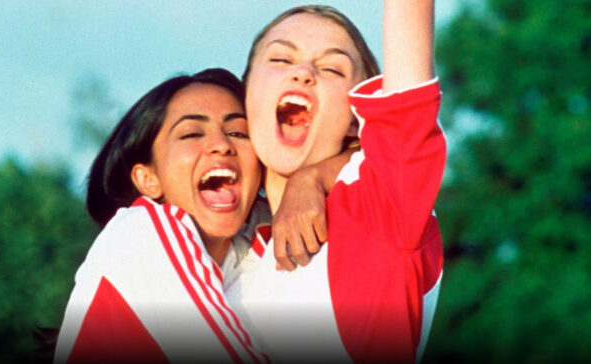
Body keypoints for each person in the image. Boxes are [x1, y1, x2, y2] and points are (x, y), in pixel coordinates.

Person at [227, 1, 446, 362]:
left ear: (355, 118)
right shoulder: (222, 255)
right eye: (281, 59)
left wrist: (312, 175)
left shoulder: (379, 208)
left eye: (332, 68)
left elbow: (409, 101)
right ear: (247, 92)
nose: (303, 72)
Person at [52, 68, 270, 363]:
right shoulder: (140, 234)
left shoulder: (243, 254)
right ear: (148, 180)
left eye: (237, 132)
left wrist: (311, 177)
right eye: (192, 133)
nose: (222, 144)